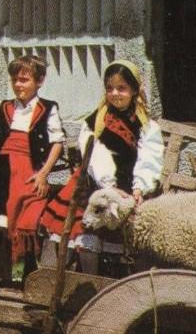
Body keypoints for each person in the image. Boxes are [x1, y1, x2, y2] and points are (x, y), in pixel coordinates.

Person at [0, 44, 65, 285]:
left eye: (24, 80)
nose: (18, 85)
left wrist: (43, 174)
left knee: (30, 221)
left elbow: (57, 143)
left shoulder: (48, 108)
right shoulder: (3, 106)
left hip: (31, 172)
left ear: (39, 81)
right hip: (3, 171)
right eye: (15, 80)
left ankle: (28, 272)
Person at [71, 59, 165, 274]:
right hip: (98, 185)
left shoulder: (146, 126)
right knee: (88, 234)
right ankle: (89, 278)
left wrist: (140, 188)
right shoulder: (94, 122)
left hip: (132, 189)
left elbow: (149, 158)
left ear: (134, 90)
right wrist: (109, 186)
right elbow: (95, 155)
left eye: (121, 88)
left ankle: (122, 278)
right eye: (110, 88)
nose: (115, 93)